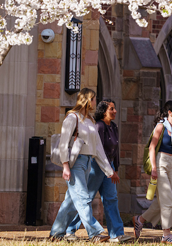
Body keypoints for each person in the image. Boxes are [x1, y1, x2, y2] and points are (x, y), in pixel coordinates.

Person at [49, 88, 115, 242]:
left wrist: (108, 170)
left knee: (72, 201)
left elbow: (97, 148)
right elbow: (64, 143)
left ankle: (56, 233)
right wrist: (65, 166)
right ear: (87, 99)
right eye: (93, 99)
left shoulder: (90, 120)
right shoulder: (72, 117)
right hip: (75, 162)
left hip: (87, 163)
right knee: (83, 198)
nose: (95, 102)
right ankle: (95, 232)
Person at [65, 99, 133, 243]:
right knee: (86, 199)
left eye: (114, 109)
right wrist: (107, 168)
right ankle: (69, 230)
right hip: (96, 166)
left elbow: (116, 150)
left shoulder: (113, 127)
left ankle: (116, 234)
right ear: (103, 111)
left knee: (111, 199)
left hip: (110, 167)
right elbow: (98, 151)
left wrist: (115, 168)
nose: (114, 111)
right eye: (111, 109)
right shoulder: (99, 126)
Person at [132, 100, 172, 244]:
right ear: (170, 112)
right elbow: (151, 148)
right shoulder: (160, 126)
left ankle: (140, 220)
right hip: (160, 162)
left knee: (162, 201)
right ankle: (166, 234)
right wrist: (154, 169)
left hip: (171, 163)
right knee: (168, 199)